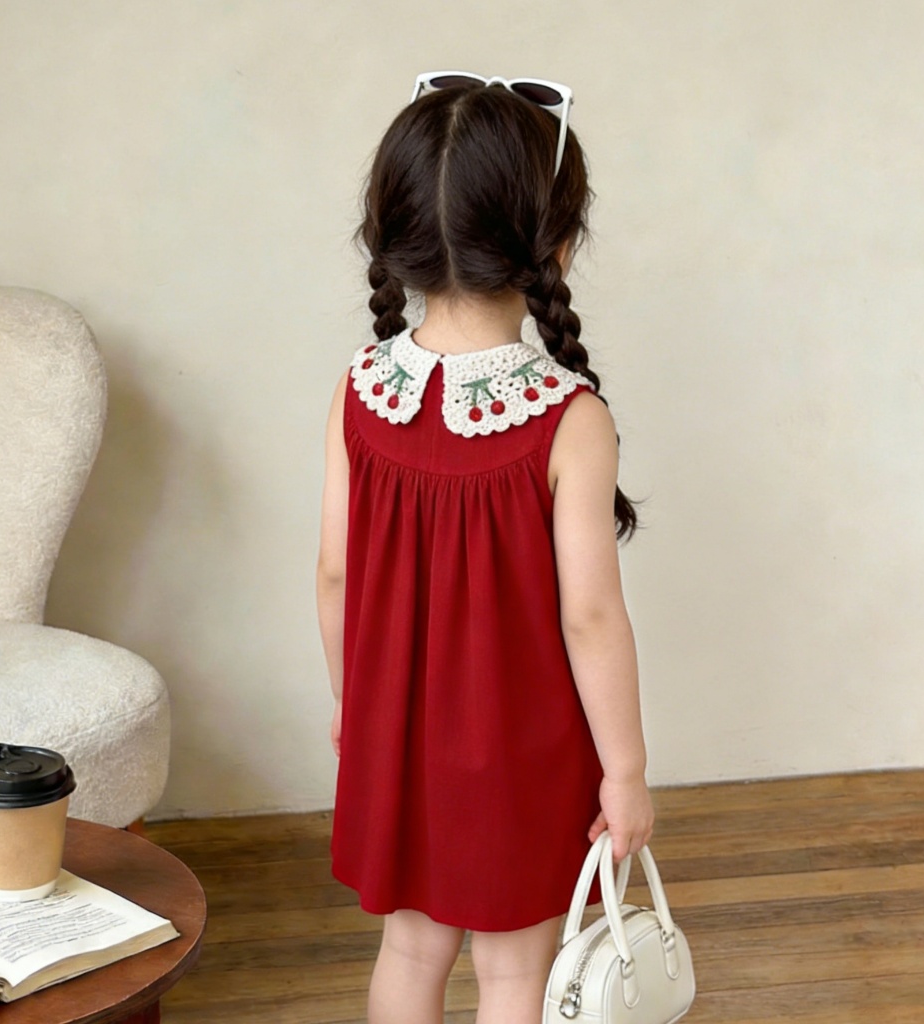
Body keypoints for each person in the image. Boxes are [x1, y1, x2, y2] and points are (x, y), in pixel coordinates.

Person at [316, 72, 655, 1024]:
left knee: (408, 951)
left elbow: (335, 573)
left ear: (393, 233)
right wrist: (625, 771)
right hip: (522, 751)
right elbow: (591, 617)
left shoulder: (359, 389)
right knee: (514, 976)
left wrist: (354, 707)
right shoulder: (568, 418)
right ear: (558, 241)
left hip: (395, 734)